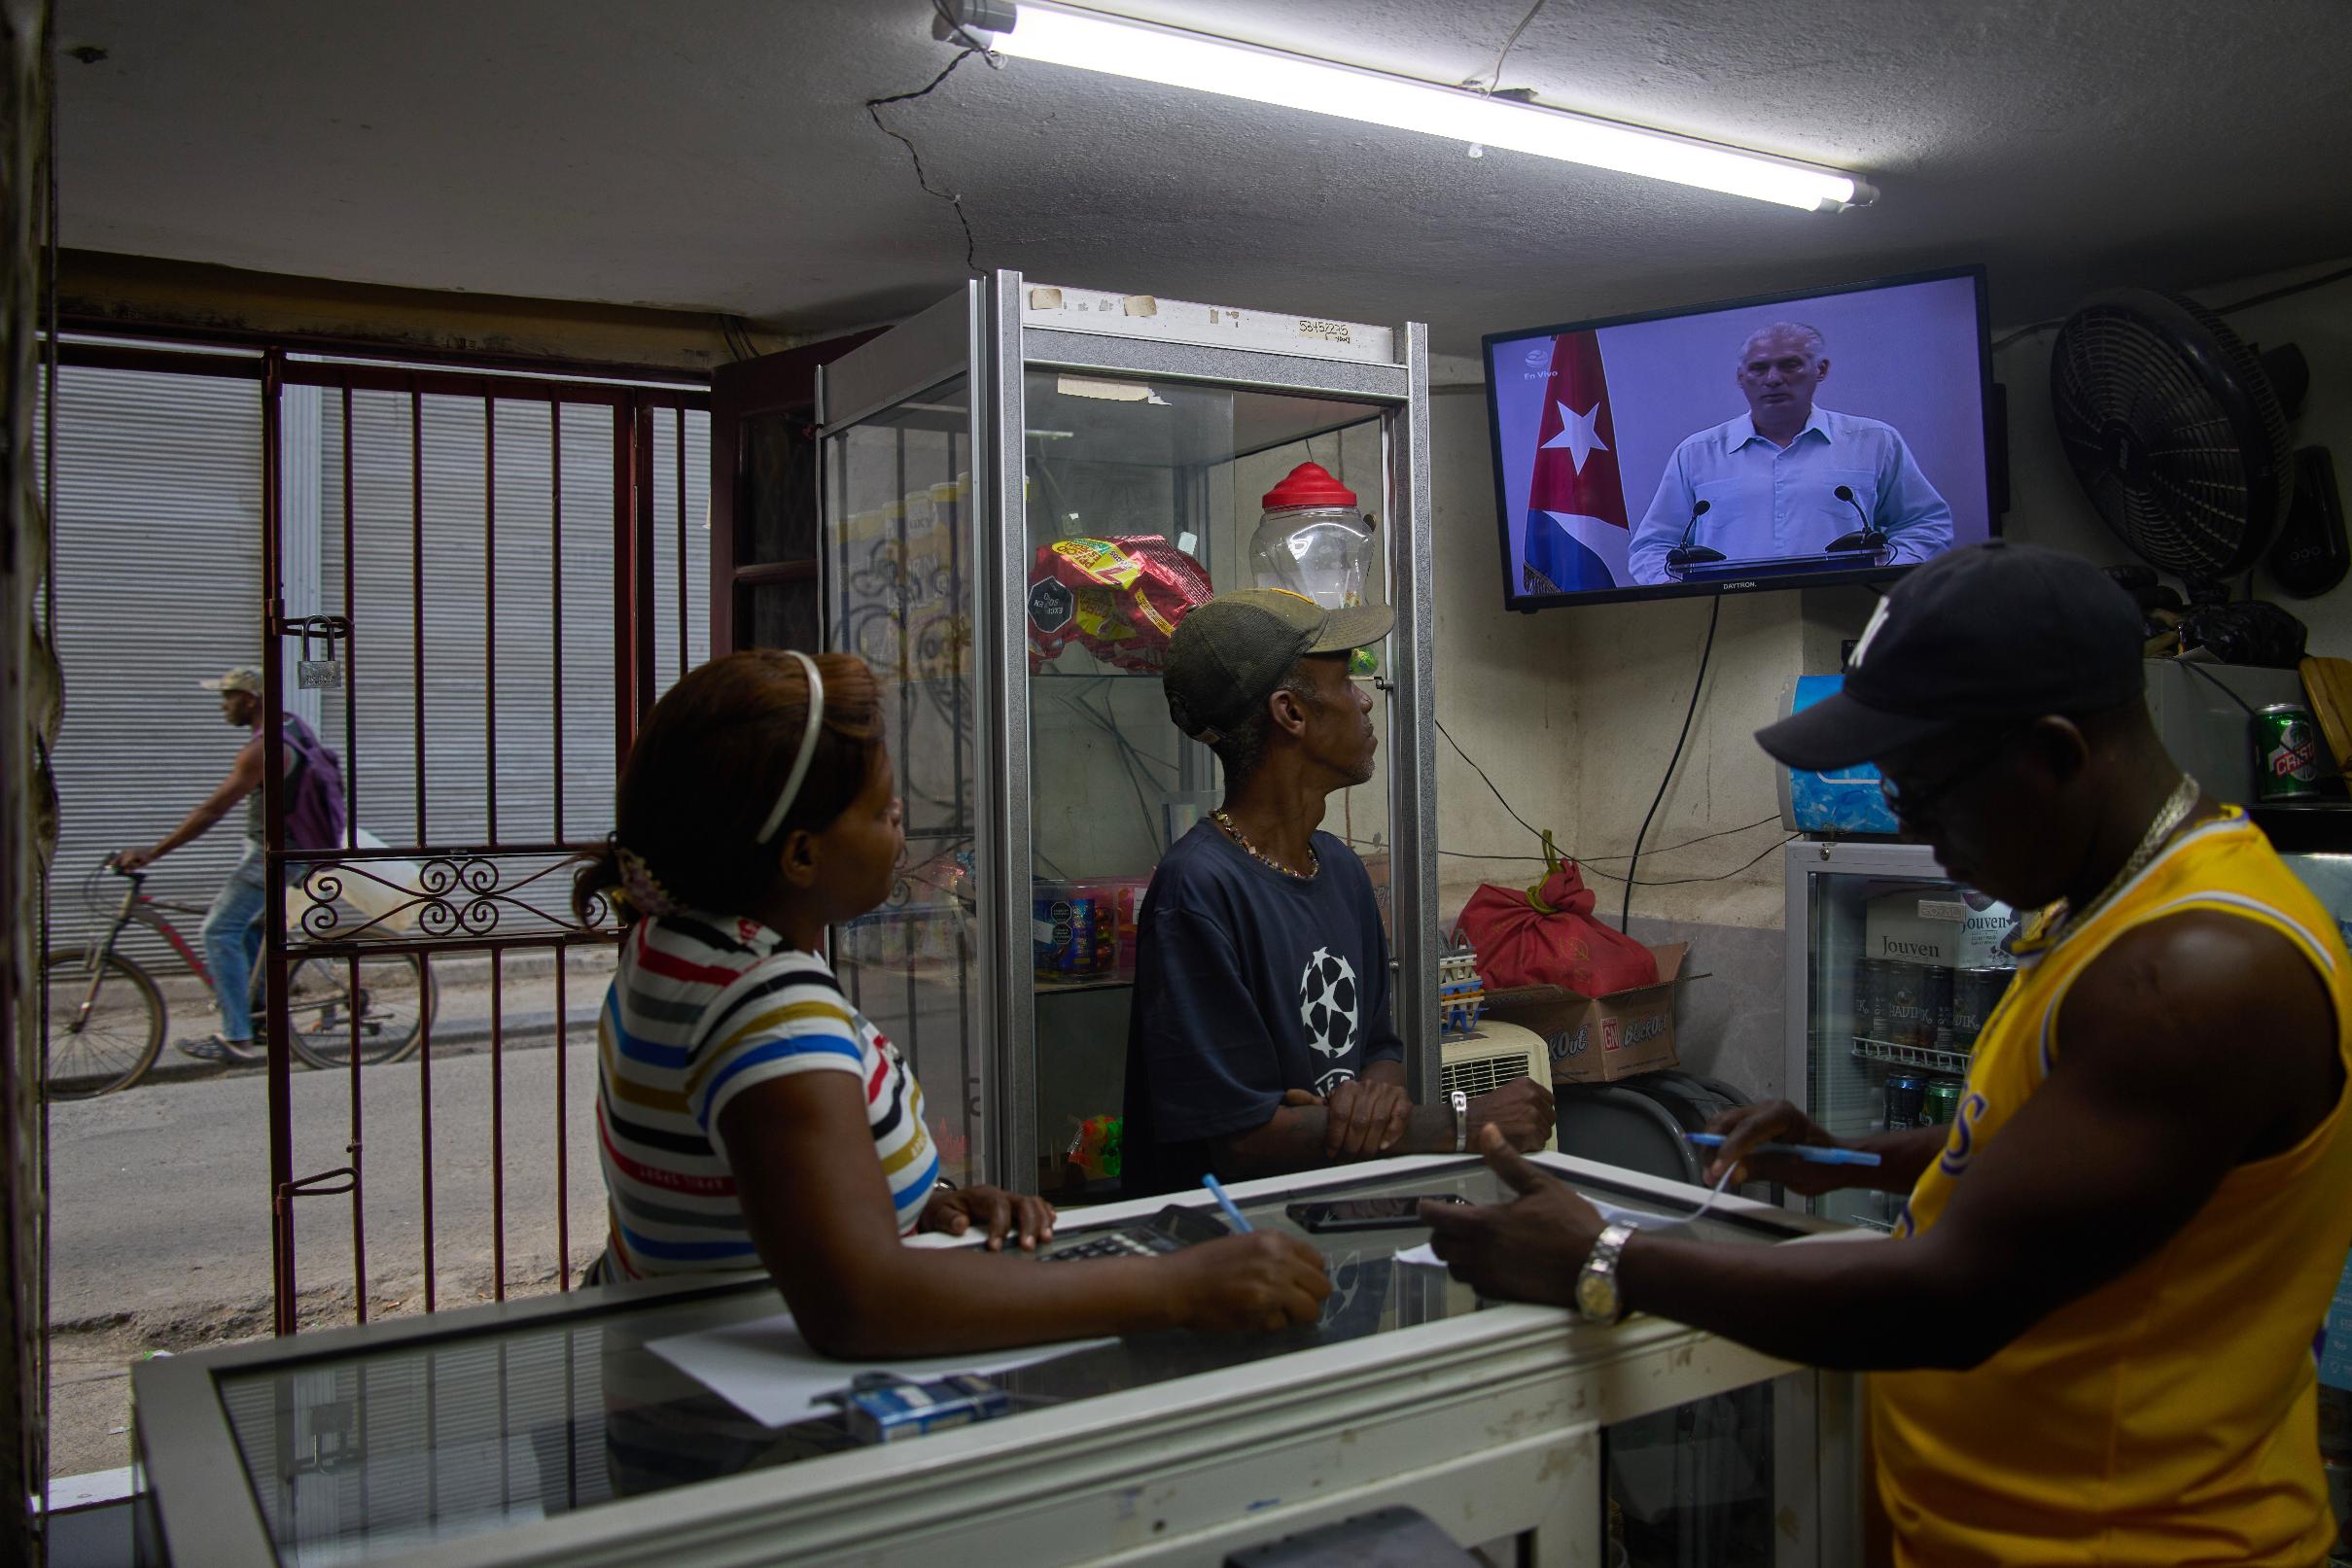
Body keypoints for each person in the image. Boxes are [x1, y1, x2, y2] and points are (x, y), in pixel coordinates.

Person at [1424, 540, 2352, 1567]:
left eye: (1920, 792)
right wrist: (1844, 1156)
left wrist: (1604, 1258)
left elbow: (1952, 1298)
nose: (1912, 830)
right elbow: (2036, 1153)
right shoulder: (2107, 912)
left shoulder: (2195, 972)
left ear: (2054, 753)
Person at [573, 647, 1330, 1357]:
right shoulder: (765, 1004)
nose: (900, 815)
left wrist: (920, 1203)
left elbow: (760, 1196)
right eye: (877, 810)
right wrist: (1171, 1285)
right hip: (758, 1413)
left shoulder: (671, 942)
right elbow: (858, 1302)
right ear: (800, 854)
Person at [1121, 590, 1554, 1198]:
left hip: (1333, 1228)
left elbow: (1379, 1049)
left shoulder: (1342, 870)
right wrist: (1463, 1123)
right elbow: (1243, 1139)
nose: (1364, 700)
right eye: (1347, 680)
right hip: (1230, 1257)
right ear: (1291, 713)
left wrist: (1350, 1110)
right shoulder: (1198, 890)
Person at [117, 665, 344, 1063]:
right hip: (291, 851)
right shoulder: (289, 726)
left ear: (251, 699)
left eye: (228, 697)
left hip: (273, 856)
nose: (222, 706)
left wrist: (154, 852)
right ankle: (264, 1019)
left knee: (219, 929)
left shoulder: (262, 749)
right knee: (249, 932)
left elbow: (211, 811)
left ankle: (236, 1036)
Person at [1625, 322, 1953, 585]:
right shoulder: (1697, 453)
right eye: (1758, 368)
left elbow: (1926, 524)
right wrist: (1674, 587)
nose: (1773, 379)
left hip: (1847, 609)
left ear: (1820, 369)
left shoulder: (1874, 441)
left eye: (1790, 365)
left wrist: (1884, 570)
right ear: (1741, 377)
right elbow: (1652, 547)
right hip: (1726, 619)